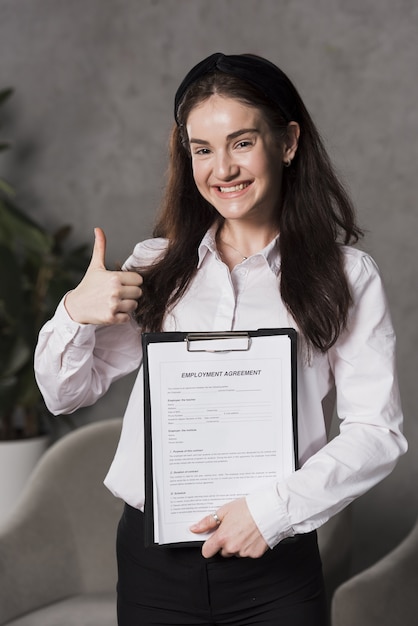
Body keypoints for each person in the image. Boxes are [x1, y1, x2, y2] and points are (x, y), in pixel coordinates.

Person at [35, 52, 407, 625]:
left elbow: (376, 433)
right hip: (151, 563)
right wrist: (73, 314)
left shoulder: (348, 276)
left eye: (241, 142)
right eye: (202, 149)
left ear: (287, 142)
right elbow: (65, 395)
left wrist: (271, 512)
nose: (221, 169)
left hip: (275, 566)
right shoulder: (153, 266)